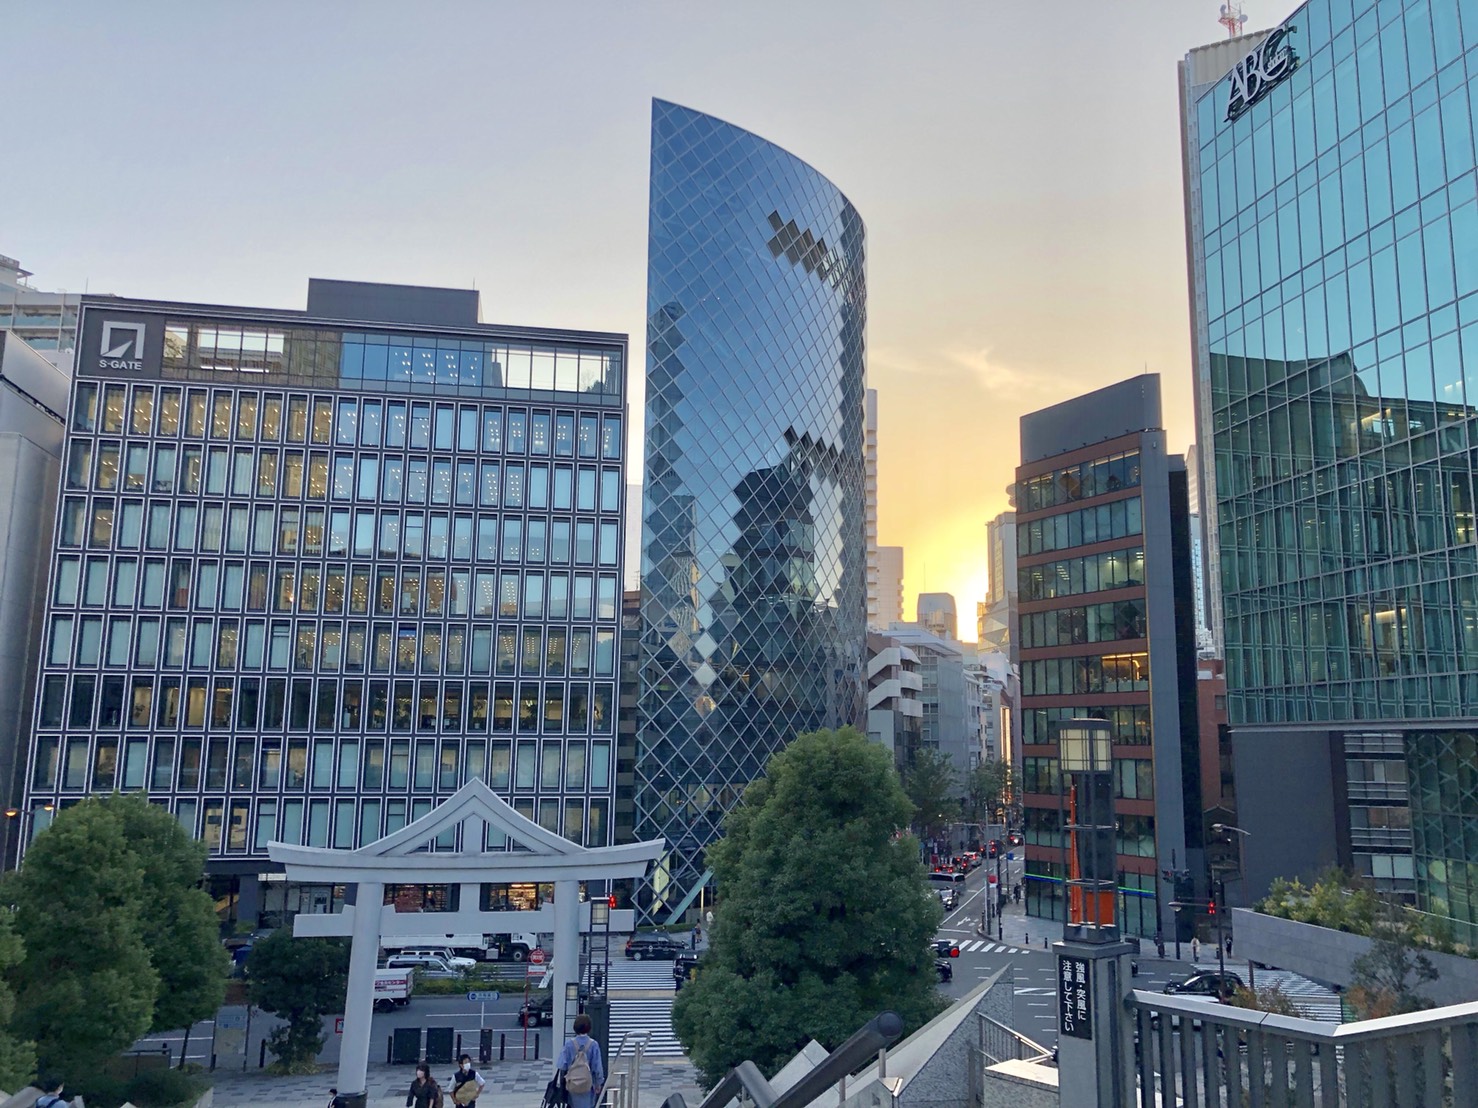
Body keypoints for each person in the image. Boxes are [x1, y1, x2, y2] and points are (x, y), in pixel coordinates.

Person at [556, 1013, 605, 1108]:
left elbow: (562, 1065)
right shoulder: (593, 1044)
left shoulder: (569, 1044)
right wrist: (598, 1083)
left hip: (572, 1084)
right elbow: (597, 1068)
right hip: (588, 1085)